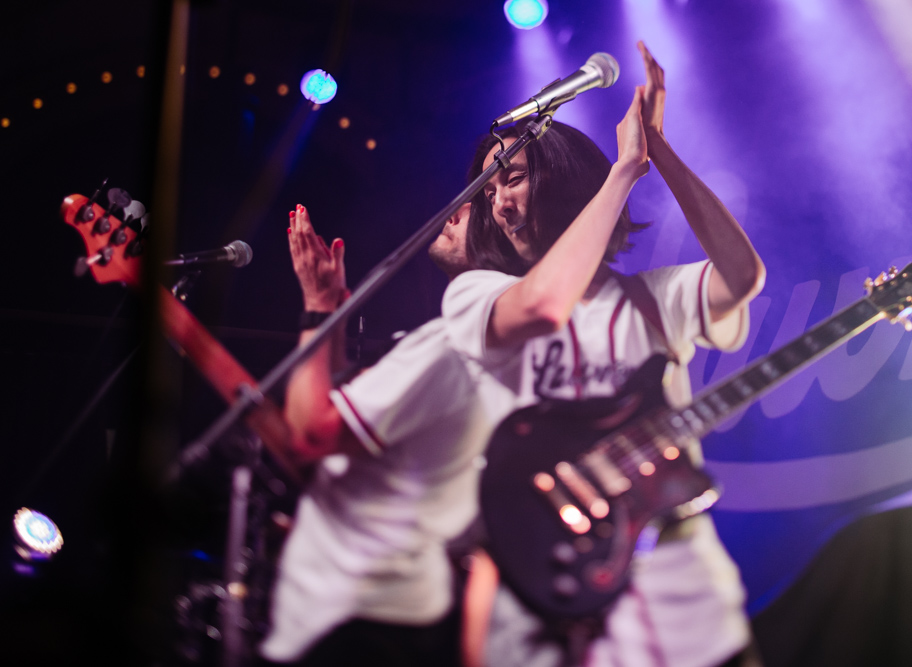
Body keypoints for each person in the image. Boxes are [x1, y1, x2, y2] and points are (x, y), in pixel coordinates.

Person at [443, 42, 766, 667]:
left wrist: (656, 155)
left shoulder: (653, 301)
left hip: (686, 612)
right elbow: (540, 308)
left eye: (512, 177)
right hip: (549, 608)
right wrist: (622, 172)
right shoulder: (475, 295)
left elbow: (741, 276)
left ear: (562, 177)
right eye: (488, 192)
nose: (500, 203)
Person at [257, 202, 485, 666]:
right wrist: (335, 315)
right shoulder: (447, 339)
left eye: (493, 191)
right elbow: (345, 421)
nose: (461, 207)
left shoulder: (447, 348)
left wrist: (319, 308)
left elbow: (310, 436)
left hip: (372, 614)